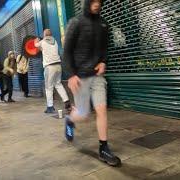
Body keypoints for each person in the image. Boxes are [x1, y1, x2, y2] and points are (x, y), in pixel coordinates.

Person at [63, 0, 121, 166]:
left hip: (97, 75)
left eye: (99, 1)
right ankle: (70, 119)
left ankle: (103, 148)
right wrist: (72, 75)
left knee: (102, 110)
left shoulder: (103, 24)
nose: (97, 4)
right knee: (83, 114)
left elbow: (104, 48)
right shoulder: (76, 23)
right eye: (93, 1)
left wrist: (103, 61)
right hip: (80, 77)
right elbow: (66, 51)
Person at [34, 29, 71, 113]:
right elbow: (43, 49)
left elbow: (36, 45)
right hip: (58, 65)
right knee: (58, 84)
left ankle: (50, 107)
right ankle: (67, 102)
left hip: (49, 67)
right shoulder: (55, 41)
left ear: (44, 35)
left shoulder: (42, 42)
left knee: (48, 87)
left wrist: (36, 41)